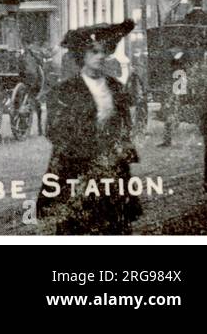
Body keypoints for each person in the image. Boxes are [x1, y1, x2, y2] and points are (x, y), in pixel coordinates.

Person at [37, 21, 142, 235]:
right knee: (77, 225)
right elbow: (54, 131)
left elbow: (125, 124)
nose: (100, 56)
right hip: (77, 168)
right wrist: (85, 150)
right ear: (82, 55)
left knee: (115, 225)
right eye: (94, 52)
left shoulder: (115, 87)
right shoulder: (64, 91)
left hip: (111, 168)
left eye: (104, 52)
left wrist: (120, 147)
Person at [159, 48, 186, 147]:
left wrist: (170, 100)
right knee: (170, 119)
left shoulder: (177, 73)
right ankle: (168, 140)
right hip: (174, 97)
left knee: (169, 119)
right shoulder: (181, 72)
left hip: (173, 97)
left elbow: (177, 88)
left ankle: (168, 140)